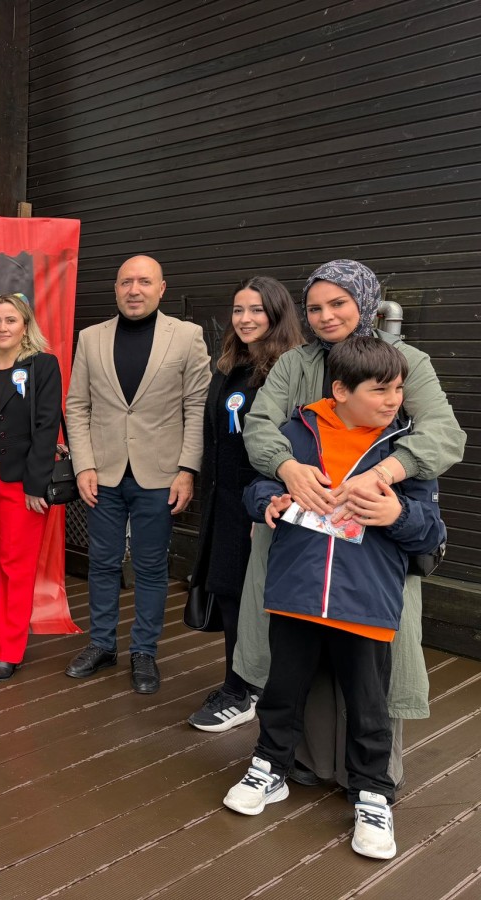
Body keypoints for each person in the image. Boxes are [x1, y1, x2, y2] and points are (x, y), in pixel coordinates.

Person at [237, 259, 465, 791]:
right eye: (314, 307)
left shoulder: (408, 361)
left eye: (338, 303)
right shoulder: (295, 363)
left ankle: (370, 779)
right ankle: (301, 762)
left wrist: (386, 473)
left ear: (365, 301)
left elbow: (444, 434)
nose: (326, 316)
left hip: (374, 546)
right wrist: (287, 467)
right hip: (301, 544)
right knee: (296, 655)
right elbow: (259, 425)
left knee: (372, 663)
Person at [223, 336, 446, 861]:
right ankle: (268, 767)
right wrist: (269, 500)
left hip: (366, 601)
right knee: (282, 691)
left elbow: (430, 530)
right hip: (295, 593)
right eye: (380, 390)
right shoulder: (297, 433)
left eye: (398, 388)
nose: (394, 400)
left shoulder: (403, 450)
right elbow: (254, 489)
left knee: (369, 705)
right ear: (341, 390)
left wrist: (396, 515)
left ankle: (373, 795)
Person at [64, 255, 210, 694]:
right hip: (102, 473)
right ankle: (102, 644)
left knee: (150, 567)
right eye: (126, 281)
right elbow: (77, 406)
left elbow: (196, 407)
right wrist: (83, 464)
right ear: (115, 288)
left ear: (161, 288)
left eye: (144, 282)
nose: (134, 290)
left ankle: (144, 651)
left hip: (161, 474)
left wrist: (187, 469)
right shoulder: (90, 338)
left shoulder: (187, 336)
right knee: (103, 563)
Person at [187, 276, 303, 731]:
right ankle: (240, 682)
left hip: (259, 503)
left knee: (246, 597)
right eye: (238, 310)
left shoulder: (287, 371)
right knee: (228, 593)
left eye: (256, 310)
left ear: (276, 315)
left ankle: (244, 691)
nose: (245, 318)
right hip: (223, 499)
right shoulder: (229, 366)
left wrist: (266, 501)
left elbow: (290, 442)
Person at [0, 294, 62, 682]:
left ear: (25, 326)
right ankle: (5, 635)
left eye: (10, 320)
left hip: (22, 481)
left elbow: (47, 426)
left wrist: (37, 484)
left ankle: (10, 650)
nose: (2, 327)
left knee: (16, 566)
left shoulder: (42, 366)